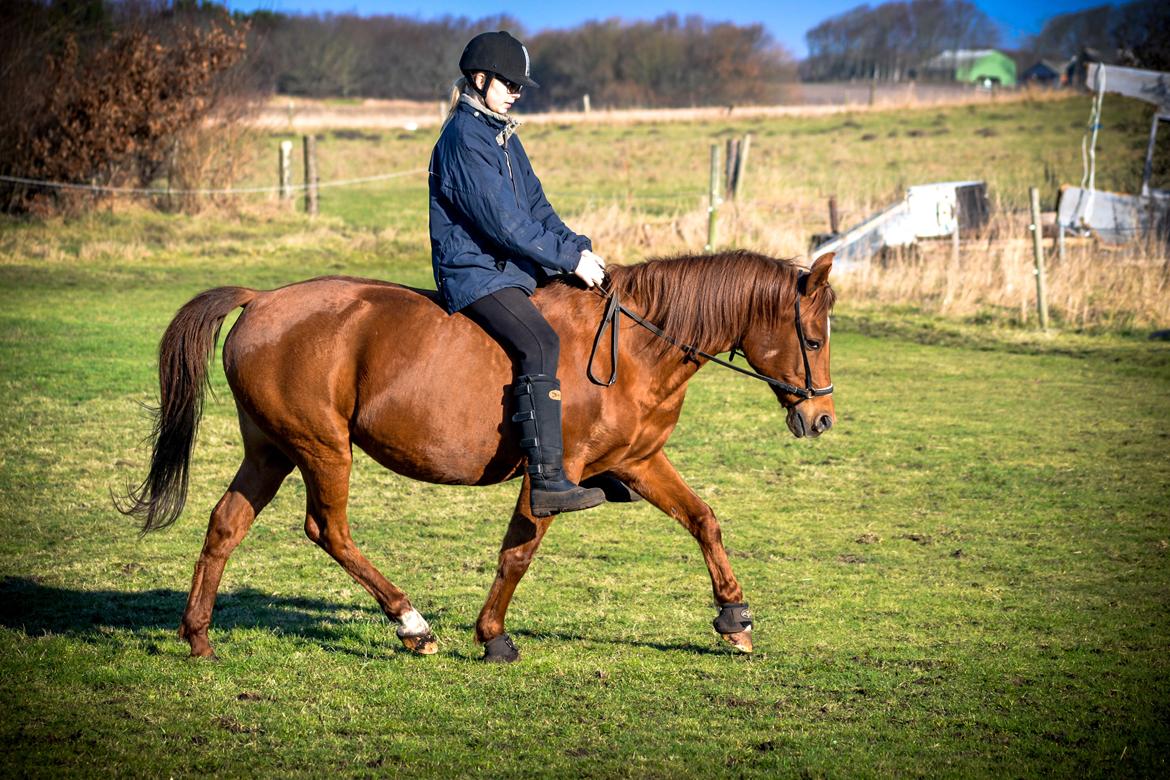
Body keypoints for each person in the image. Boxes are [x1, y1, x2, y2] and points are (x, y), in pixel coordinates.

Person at [429, 31, 607, 517]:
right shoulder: (465, 138)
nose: (516, 91)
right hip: (473, 272)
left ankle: (597, 457)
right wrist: (566, 261)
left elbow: (537, 209)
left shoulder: (503, 133)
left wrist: (579, 250)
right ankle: (547, 478)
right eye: (508, 82)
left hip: (508, 268)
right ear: (479, 79)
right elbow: (503, 222)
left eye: (520, 85)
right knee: (541, 343)